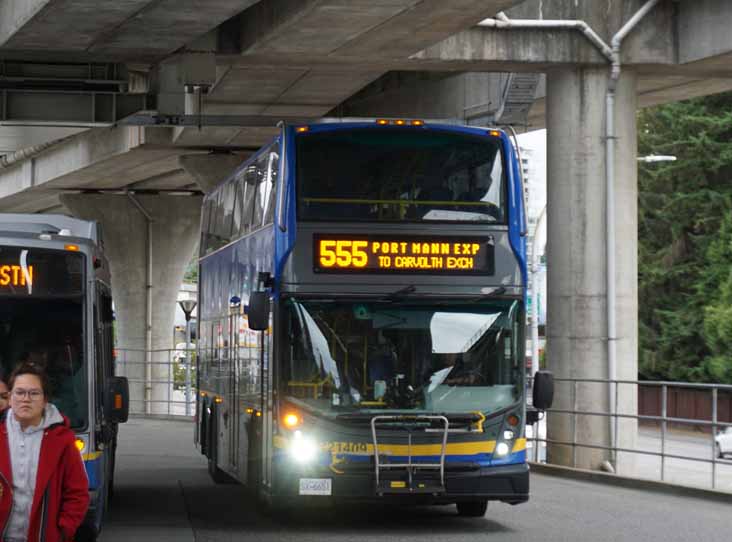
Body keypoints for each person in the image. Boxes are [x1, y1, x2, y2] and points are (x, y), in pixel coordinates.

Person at [0, 363, 89, 542]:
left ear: (45, 399)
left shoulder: (62, 440)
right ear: (10, 397)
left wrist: (63, 531)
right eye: (19, 392)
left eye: (34, 393)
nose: (26, 399)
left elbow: (77, 493)